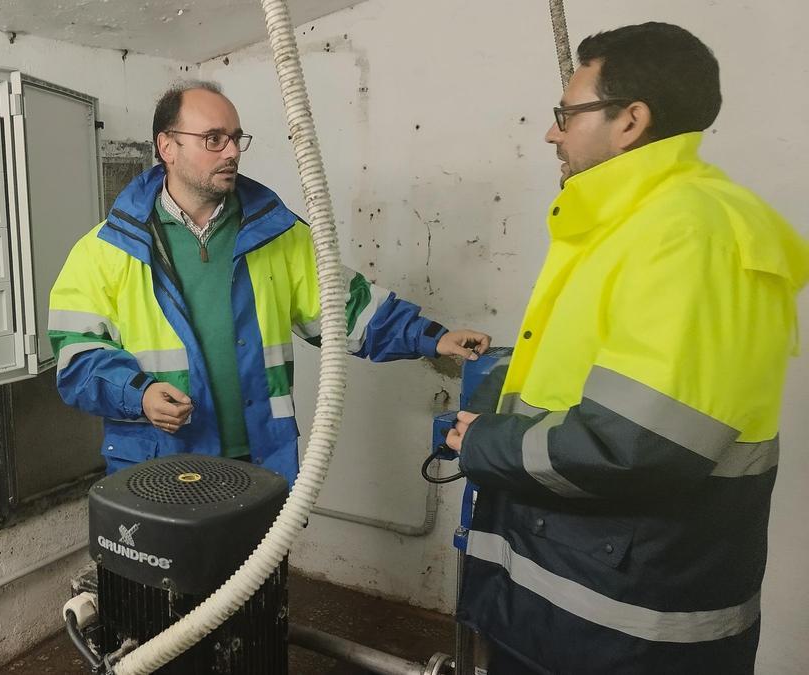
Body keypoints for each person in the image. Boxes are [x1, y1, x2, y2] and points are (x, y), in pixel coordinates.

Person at [445, 22, 809, 674]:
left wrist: (484, 443)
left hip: (626, 630)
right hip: (572, 602)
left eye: (566, 113)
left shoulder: (693, 233)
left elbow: (637, 445)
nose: (552, 132)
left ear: (630, 120)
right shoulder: (630, 223)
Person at [49, 81, 491, 485]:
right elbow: (77, 359)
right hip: (156, 464)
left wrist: (434, 337)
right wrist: (139, 395)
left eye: (236, 138)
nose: (231, 152)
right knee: (169, 576)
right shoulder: (105, 249)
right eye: (213, 139)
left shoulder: (278, 235)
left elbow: (349, 308)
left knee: (257, 574)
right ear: (167, 146)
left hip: (258, 461)